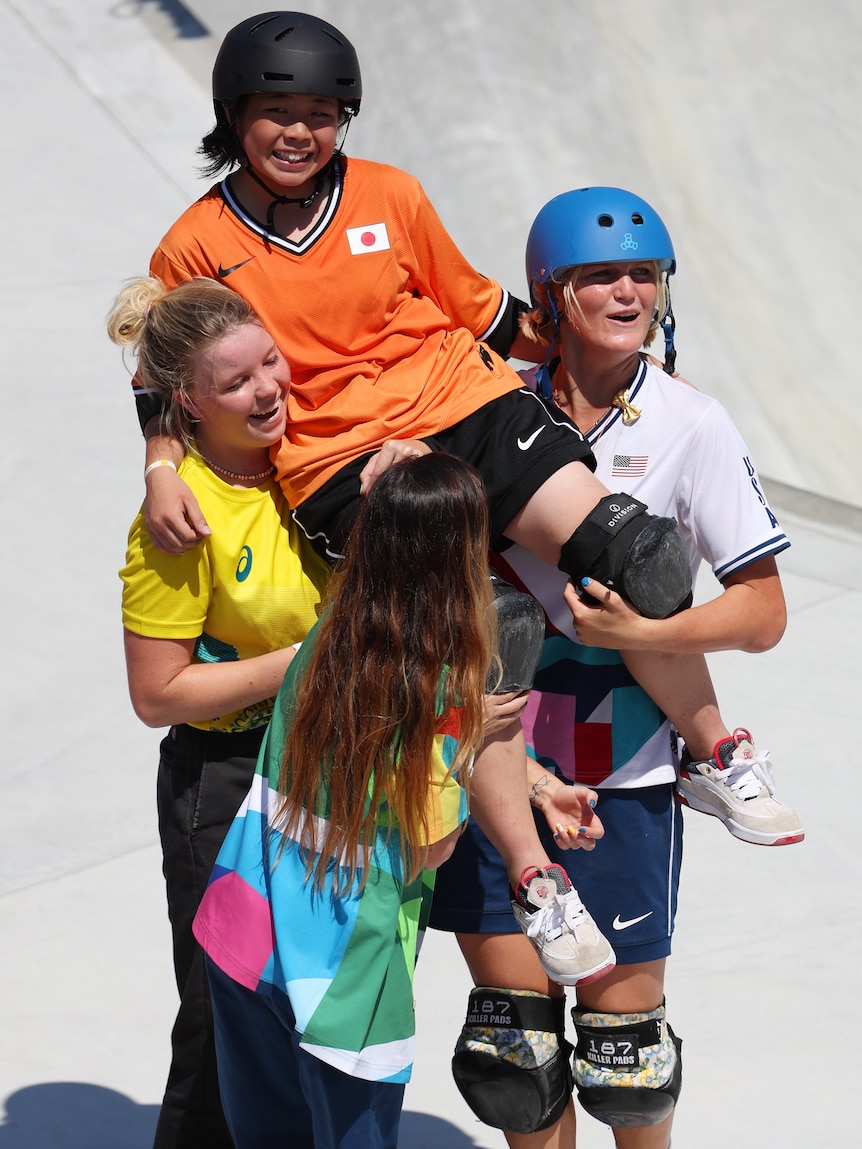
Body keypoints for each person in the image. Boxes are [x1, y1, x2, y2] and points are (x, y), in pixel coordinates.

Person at [429, 187, 802, 1149]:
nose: (627, 291)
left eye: (644, 273)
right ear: (549, 294)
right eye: (599, 276)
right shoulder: (480, 404)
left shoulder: (692, 423)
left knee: (623, 1059)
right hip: (494, 765)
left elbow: (762, 612)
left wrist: (648, 629)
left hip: (624, 776)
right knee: (518, 1059)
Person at [190, 453, 515, 1148]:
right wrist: (471, 747)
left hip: (246, 932)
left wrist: (538, 781)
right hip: (344, 975)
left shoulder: (326, 634)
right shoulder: (440, 690)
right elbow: (431, 846)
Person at [111, 276, 330, 1147]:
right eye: (236, 382)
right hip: (229, 780)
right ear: (189, 405)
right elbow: (156, 693)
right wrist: (309, 661)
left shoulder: (317, 456)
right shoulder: (179, 515)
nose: (269, 388)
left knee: (318, 1016)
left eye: (270, 361)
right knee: (222, 1019)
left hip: (335, 766)